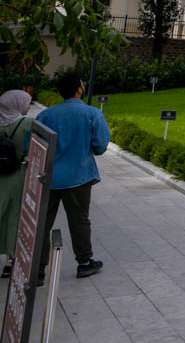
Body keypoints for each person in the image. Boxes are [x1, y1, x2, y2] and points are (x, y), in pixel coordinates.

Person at [36, 73, 109, 281]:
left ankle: (39, 270)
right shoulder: (92, 114)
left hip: (48, 177)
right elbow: (101, 146)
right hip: (79, 176)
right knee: (79, 221)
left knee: (42, 222)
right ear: (79, 89)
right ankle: (84, 263)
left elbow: (33, 146)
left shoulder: (46, 116)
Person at [0, 90, 33, 278]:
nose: (28, 106)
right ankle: (11, 261)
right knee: (14, 217)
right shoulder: (26, 124)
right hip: (16, 175)